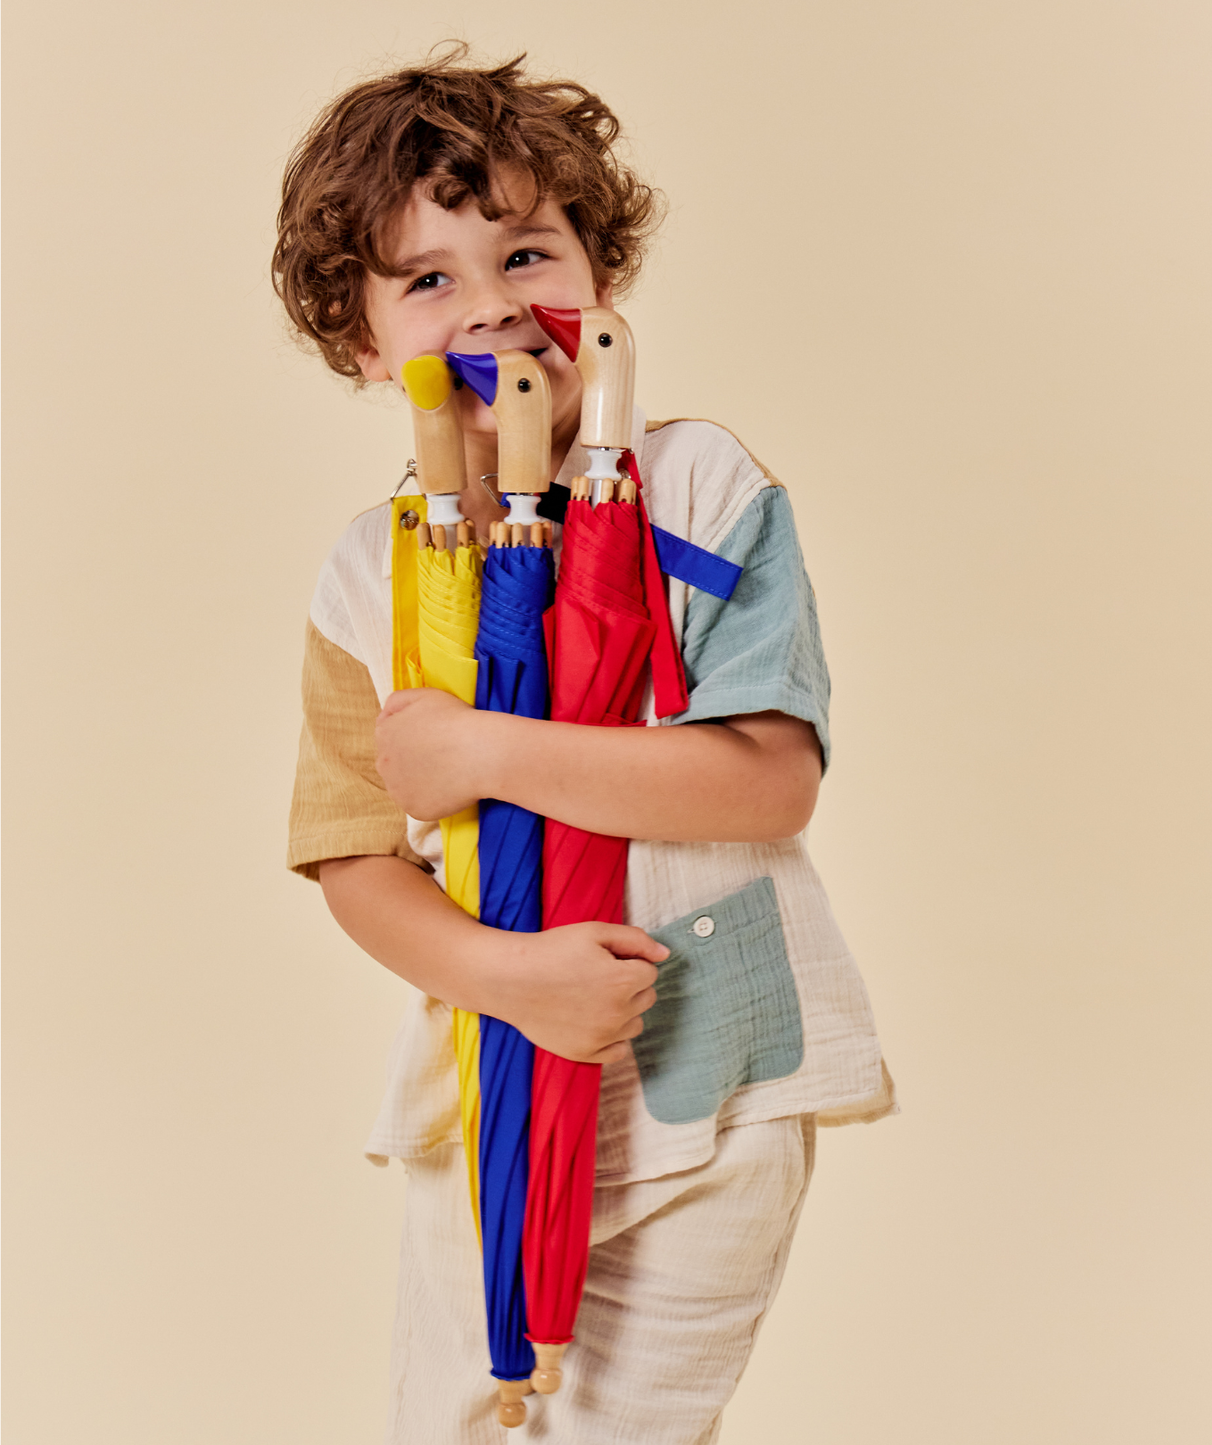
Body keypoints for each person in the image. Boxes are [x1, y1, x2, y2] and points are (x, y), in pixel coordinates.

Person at [276, 46, 894, 1445]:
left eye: (526, 253)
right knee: (462, 1418)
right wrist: (505, 976)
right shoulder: (365, 573)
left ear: (600, 274)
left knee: (618, 1427)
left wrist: (487, 750)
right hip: (484, 1073)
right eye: (427, 279)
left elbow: (767, 780)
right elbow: (354, 857)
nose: (495, 305)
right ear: (363, 342)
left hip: (714, 1065)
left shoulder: (704, 488)